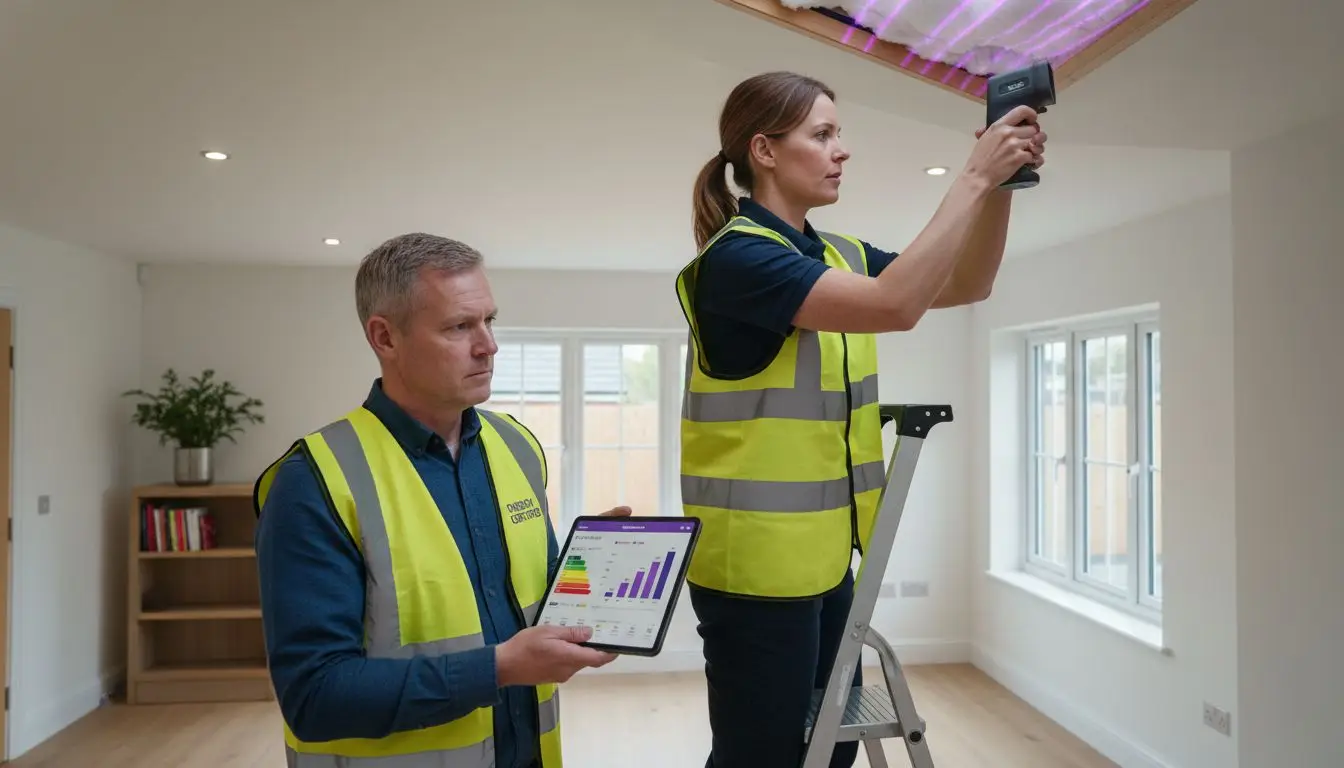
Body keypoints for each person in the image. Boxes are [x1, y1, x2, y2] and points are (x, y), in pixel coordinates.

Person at [675, 71, 1046, 767]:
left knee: (827, 750)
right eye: (822, 134)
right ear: (765, 150)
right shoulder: (740, 259)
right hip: (755, 575)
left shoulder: (837, 255)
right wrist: (970, 176)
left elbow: (968, 283)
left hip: (824, 560)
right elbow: (894, 307)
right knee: (762, 758)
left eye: (838, 133)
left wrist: (1000, 187)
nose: (842, 149)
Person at [253, 233, 629, 768]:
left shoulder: (517, 447)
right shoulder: (313, 482)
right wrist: (498, 668)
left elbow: (529, 602)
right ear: (385, 337)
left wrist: (587, 571)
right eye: (459, 326)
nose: (488, 345)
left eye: (489, 322)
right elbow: (314, 696)